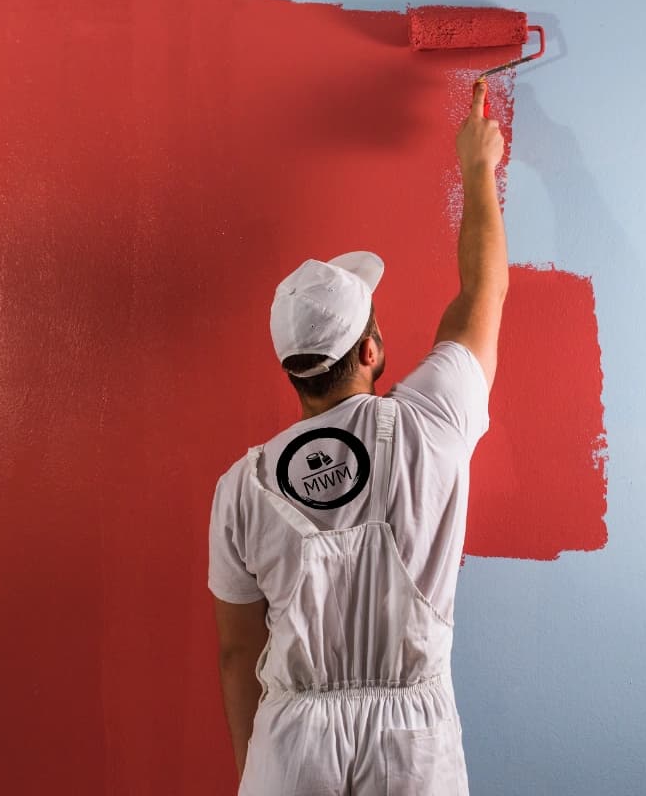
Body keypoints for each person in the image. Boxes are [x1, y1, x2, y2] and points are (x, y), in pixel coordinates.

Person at [208, 81, 507, 795]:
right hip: (413, 741)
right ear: (371, 349)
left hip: (289, 741)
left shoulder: (240, 487)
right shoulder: (428, 422)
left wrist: (265, 766)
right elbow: (481, 294)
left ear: (292, 370)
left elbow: (235, 652)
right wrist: (475, 170)